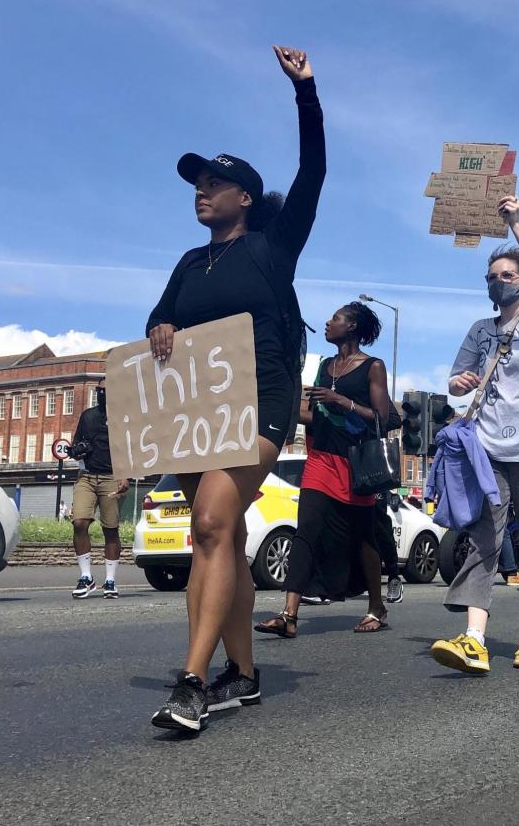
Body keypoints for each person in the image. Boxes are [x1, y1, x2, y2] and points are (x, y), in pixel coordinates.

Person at [144, 45, 324, 731]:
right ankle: (243, 674)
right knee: (214, 536)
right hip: (193, 412)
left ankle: (191, 681)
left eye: (215, 184)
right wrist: (160, 326)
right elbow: (160, 316)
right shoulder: (191, 261)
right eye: (196, 183)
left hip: (259, 404)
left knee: (214, 523)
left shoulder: (273, 249)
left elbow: (314, 171)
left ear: (243, 198)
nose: (202, 191)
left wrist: (305, 92)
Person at [430, 198, 519, 673]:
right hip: (488, 450)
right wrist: (459, 384)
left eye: (507, 275)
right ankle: (474, 637)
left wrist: (515, 224)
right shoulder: (479, 329)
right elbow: (456, 380)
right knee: (483, 537)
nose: (498, 281)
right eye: (491, 276)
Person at [255, 302, 394, 638]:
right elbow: (312, 415)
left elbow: (384, 417)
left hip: (354, 465)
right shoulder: (325, 366)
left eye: (335, 318)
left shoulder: (373, 367)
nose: (328, 323)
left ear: (353, 326)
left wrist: (340, 401)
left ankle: (376, 606)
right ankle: (289, 614)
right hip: (319, 461)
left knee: (363, 537)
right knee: (306, 532)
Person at [69, 385, 129, 599]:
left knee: (110, 529)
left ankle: (110, 581)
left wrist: (125, 476)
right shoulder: (88, 416)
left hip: (112, 477)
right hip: (86, 476)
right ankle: (86, 577)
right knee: (79, 522)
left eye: (107, 388)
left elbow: (130, 447)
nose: (103, 392)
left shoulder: (124, 417)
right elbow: (76, 444)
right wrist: (76, 450)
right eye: (100, 389)